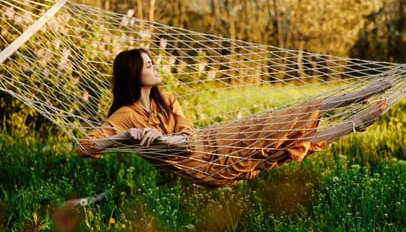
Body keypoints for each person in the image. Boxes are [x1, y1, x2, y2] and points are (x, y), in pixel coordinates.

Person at [77, 48, 389, 187]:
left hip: (211, 142)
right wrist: (123, 138)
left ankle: (355, 115)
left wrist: (160, 139)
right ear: (133, 74)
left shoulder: (167, 100)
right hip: (208, 167)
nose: (155, 68)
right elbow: (82, 147)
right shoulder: (126, 116)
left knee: (279, 144)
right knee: (278, 131)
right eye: (148, 65)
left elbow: (188, 138)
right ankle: (356, 115)